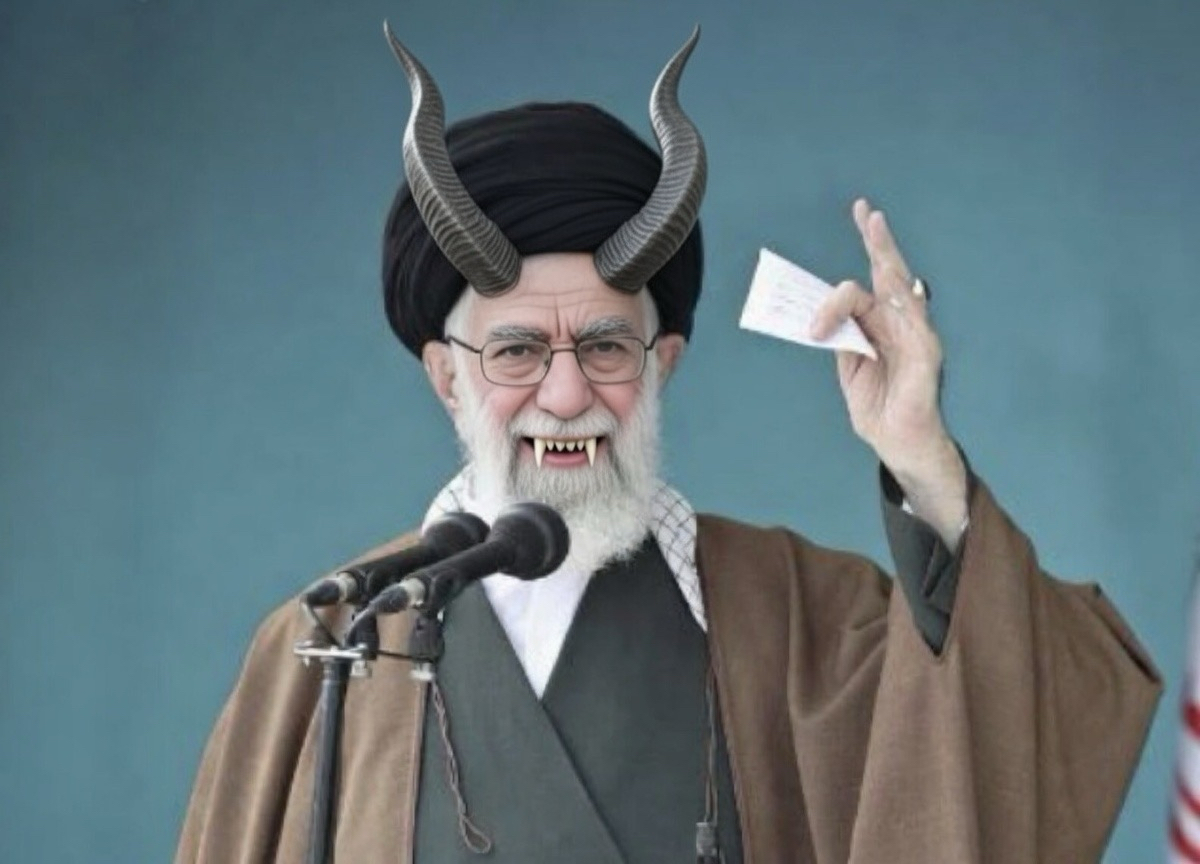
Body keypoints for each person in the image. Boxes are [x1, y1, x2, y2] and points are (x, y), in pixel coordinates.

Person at [175, 26, 1161, 864]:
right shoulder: (334, 635)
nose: (568, 396)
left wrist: (920, 456)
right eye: (517, 351)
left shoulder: (796, 620)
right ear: (446, 375)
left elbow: (1028, 707)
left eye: (607, 346)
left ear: (664, 361)